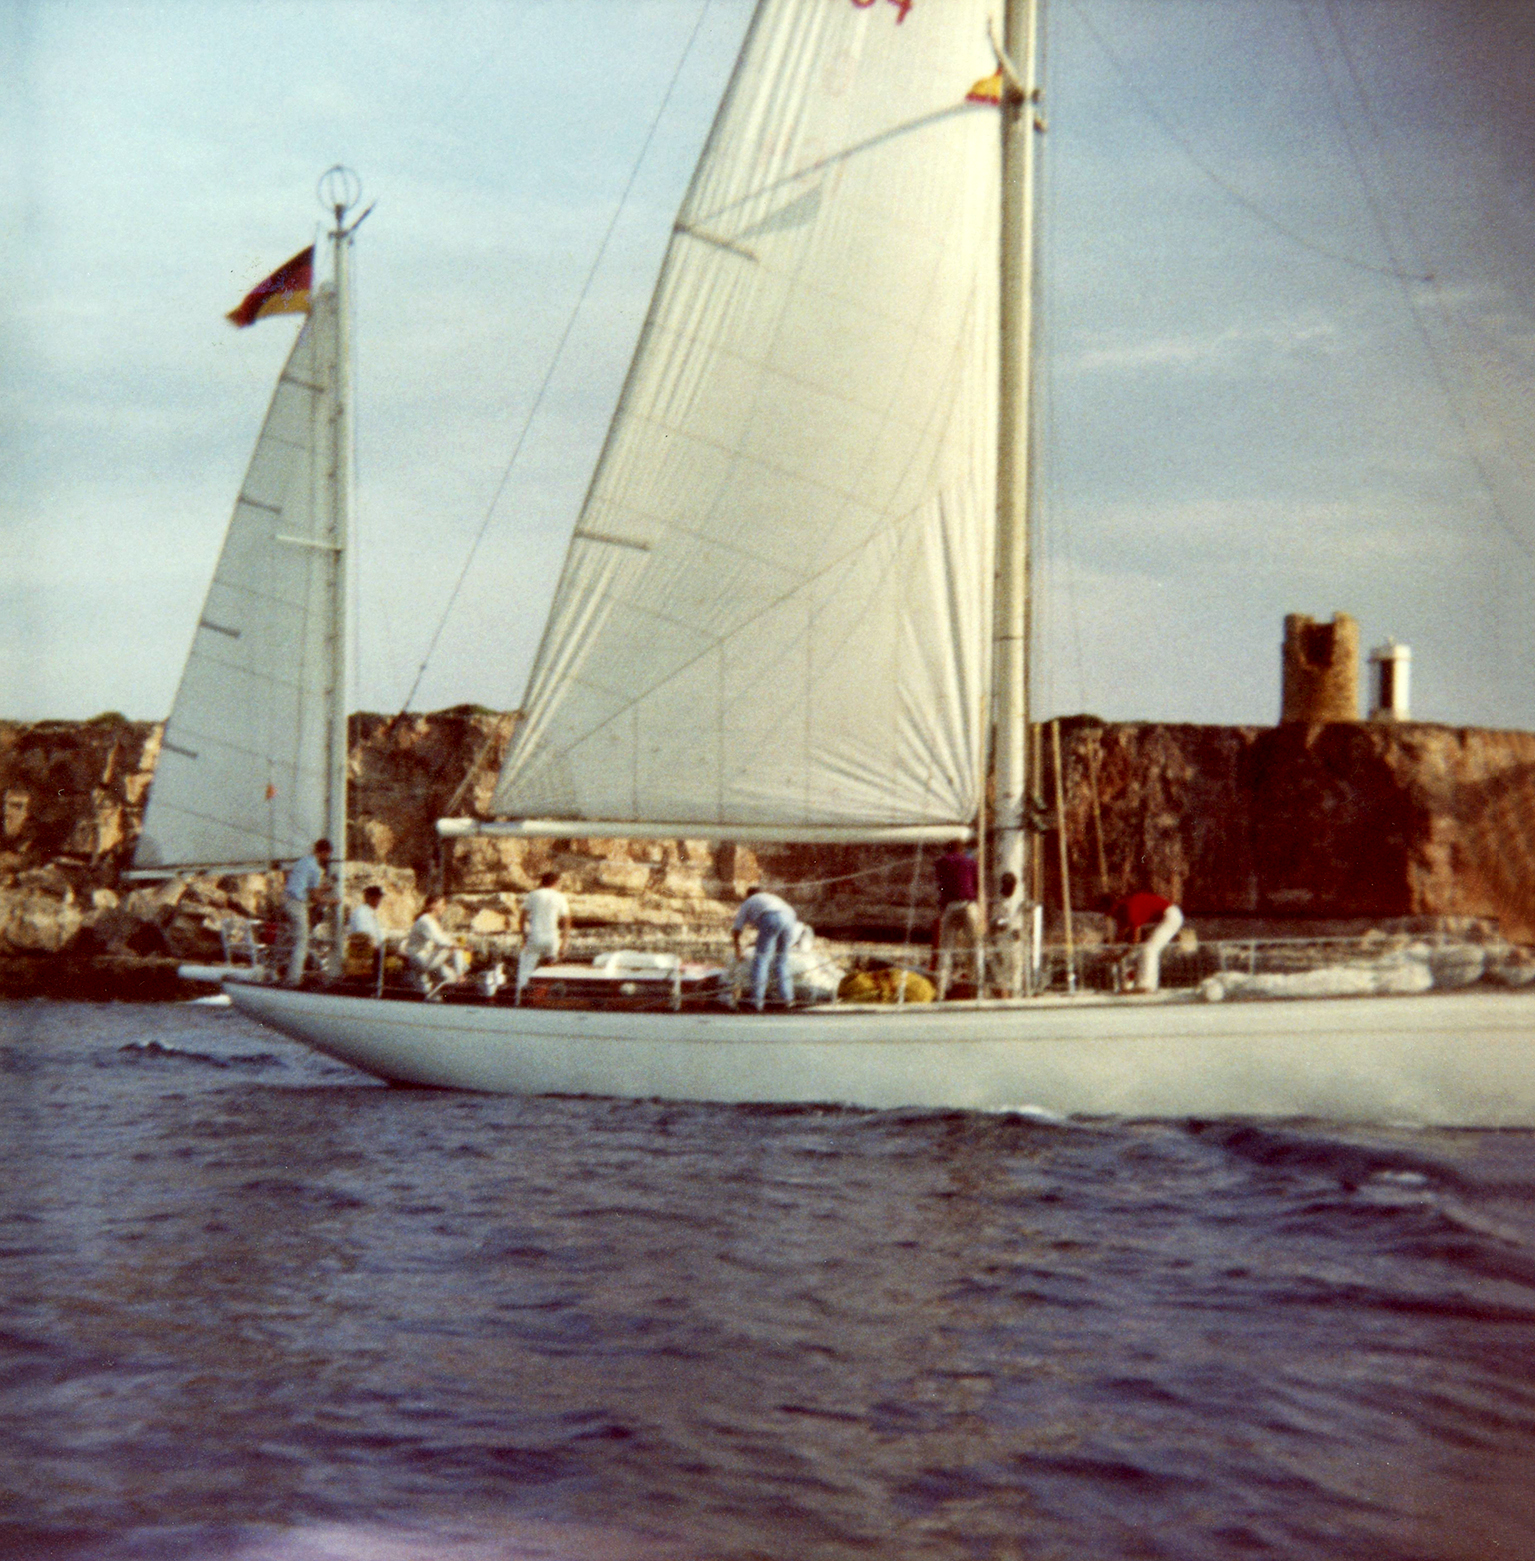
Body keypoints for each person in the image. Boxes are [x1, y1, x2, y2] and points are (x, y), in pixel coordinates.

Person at [732, 885, 800, 1011]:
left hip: (771, 917)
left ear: (748, 895)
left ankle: (756, 1002)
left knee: (761, 960)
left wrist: (737, 947)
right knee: (781, 961)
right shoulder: (771, 898)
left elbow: (737, 928)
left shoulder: (749, 901)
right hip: (790, 918)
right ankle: (788, 1000)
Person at [1106, 890, 1184, 993]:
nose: (1110, 915)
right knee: (1137, 953)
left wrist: (1122, 954)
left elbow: (1136, 940)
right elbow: (1120, 936)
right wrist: (1112, 952)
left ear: (1115, 904)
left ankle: (1146, 986)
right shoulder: (1121, 912)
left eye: (1109, 911)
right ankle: (1128, 985)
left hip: (1171, 916)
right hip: (1160, 920)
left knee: (1149, 949)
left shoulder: (1131, 906)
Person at [932, 841, 982, 1000]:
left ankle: (941, 990)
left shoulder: (941, 862)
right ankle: (978, 989)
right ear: (961, 849)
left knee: (945, 949)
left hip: (950, 905)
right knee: (975, 947)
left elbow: (941, 885)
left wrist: (942, 904)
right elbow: (977, 884)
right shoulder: (971, 862)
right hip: (968, 904)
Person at [282, 838, 333, 986]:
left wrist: (323, 889)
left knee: (297, 938)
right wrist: (334, 901)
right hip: (297, 904)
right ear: (324, 852)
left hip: (288, 899)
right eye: (328, 854)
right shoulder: (315, 869)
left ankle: (289, 973)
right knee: (302, 941)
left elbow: (307, 888)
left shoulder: (303, 861)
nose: (328, 858)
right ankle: (293, 979)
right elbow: (316, 898)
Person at [517, 871, 572, 1002]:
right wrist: (564, 942)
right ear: (556, 882)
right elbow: (566, 921)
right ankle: (546, 1000)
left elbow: (522, 919)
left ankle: (519, 1001)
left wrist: (524, 938)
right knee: (550, 971)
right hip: (552, 938)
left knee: (525, 970)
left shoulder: (533, 895)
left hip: (535, 937)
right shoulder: (560, 897)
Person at [405, 893, 470, 998]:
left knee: (451, 977)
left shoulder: (432, 921)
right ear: (433, 905)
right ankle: (461, 976)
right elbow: (440, 940)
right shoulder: (425, 920)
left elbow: (443, 938)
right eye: (442, 904)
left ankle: (433, 994)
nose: (445, 907)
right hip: (420, 959)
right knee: (455, 948)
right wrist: (460, 947)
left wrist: (456, 944)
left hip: (426, 958)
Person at [345, 885, 387, 979]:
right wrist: (378, 947)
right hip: (365, 953)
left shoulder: (370, 912)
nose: (379, 901)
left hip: (372, 950)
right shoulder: (361, 913)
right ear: (368, 897)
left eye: (379, 898)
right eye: (377, 897)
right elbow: (363, 937)